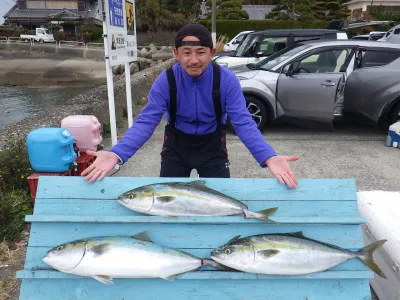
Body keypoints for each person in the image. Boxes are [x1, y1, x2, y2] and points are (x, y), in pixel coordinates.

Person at [82, 24, 299, 188]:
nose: (193, 60)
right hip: (176, 146)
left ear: (212, 53)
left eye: (201, 52)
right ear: (176, 54)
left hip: (213, 146)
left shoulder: (226, 80)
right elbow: (146, 121)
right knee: (169, 200)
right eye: (186, 52)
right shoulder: (166, 80)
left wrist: (268, 156)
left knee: (219, 199)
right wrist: (116, 153)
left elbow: (243, 122)